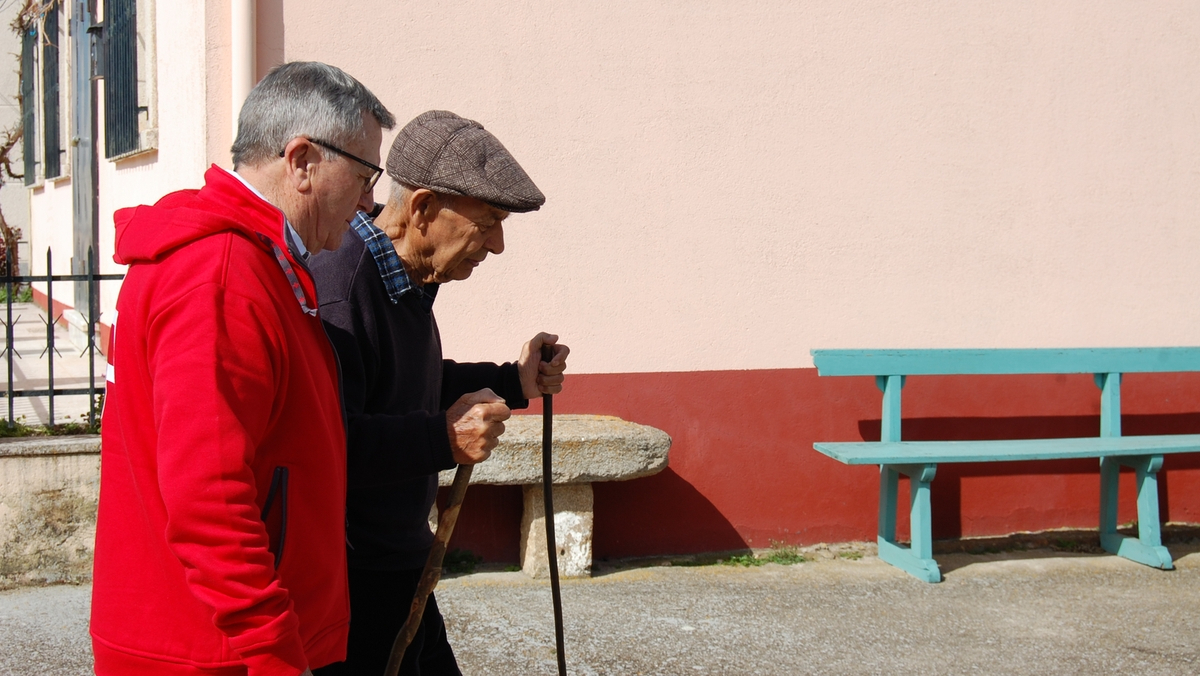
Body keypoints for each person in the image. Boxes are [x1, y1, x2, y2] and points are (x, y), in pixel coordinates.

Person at [90, 62, 395, 676]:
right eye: (364, 175)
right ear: (302, 160)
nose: (370, 201)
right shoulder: (222, 274)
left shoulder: (254, 259)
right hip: (217, 654)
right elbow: (209, 498)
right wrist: (274, 650)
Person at [310, 110, 569, 675]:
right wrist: (441, 438)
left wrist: (512, 380)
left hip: (399, 565)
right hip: (356, 582)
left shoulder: (402, 278)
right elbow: (330, 441)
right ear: (423, 208)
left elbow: (406, 382)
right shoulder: (344, 284)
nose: (497, 246)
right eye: (488, 221)